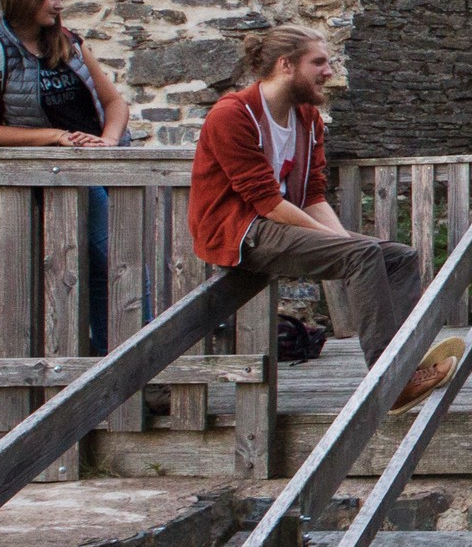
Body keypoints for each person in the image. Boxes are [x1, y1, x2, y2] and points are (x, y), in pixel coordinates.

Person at [187, 26, 454, 411]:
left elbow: (312, 196)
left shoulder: (307, 119)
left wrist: (343, 242)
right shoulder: (233, 115)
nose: (329, 72)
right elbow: (267, 203)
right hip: (240, 231)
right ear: (286, 65)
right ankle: (392, 382)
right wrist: (347, 247)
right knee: (362, 254)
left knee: (398, 257)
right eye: (319, 63)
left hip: (279, 224)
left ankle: (406, 362)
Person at [0, 0, 130, 354]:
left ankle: (117, 358)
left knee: (112, 269)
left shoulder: (69, 42)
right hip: (55, 175)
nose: (58, 5)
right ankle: (119, 361)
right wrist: (54, 137)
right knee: (115, 264)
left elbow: (115, 103)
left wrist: (108, 141)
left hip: (103, 168)